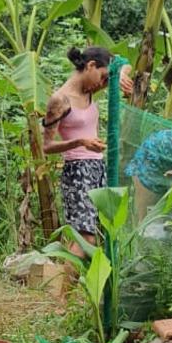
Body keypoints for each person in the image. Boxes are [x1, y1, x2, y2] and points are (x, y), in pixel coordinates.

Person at [43, 46, 133, 248]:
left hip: (99, 167)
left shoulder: (90, 91)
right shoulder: (60, 100)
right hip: (77, 171)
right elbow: (46, 146)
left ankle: (76, 279)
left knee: (102, 233)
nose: (103, 84)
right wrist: (80, 142)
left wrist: (120, 75)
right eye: (102, 77)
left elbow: (124, 61)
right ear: (91, 66)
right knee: (86, 238)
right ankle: (64, 280)